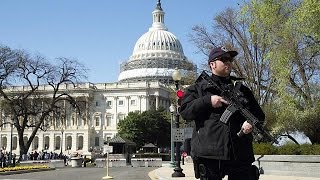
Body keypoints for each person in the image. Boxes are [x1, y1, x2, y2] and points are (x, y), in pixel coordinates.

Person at [179, 46, 265, 180]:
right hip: (209, 154)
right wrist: (207, 101)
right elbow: (185, 111)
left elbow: (259, 115)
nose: (228, 62)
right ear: (212, 64)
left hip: (240, 152)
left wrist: (251, 123)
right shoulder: (197, 89)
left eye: (230, 59)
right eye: (224, 59)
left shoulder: (242, 90)